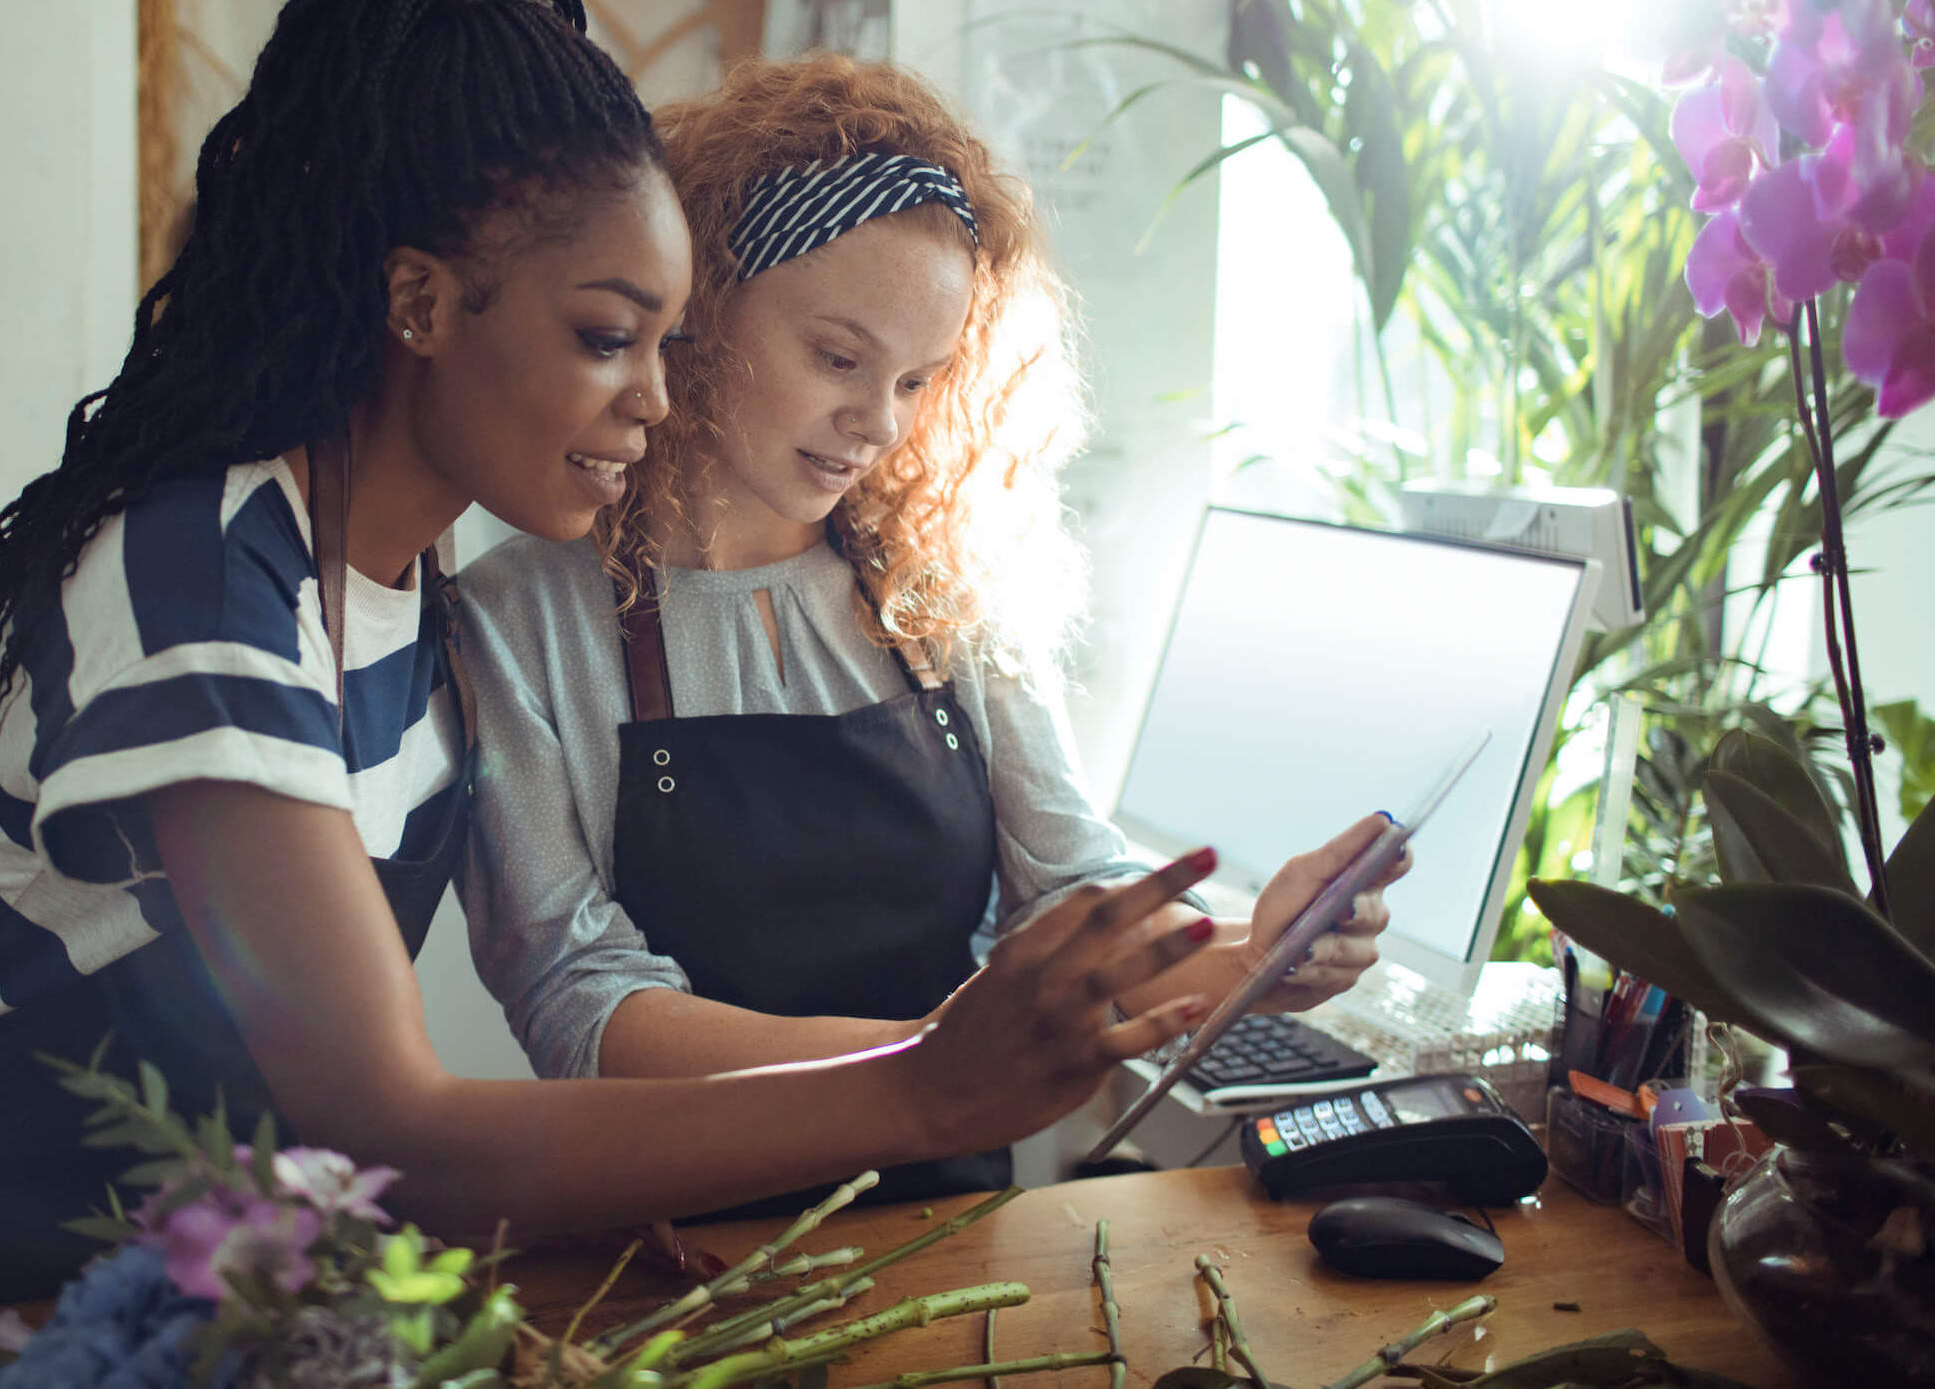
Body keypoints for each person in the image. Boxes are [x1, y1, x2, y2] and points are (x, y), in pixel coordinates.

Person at [0, 1, 1250, 1314]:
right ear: (418, 302)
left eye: (668, 344)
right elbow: (393, 1128)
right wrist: (929, 1080)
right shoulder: (199, 579)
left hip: (213, 1278)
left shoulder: (403, 585)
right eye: (609, 337)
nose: (658, 402)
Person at [455, 55, 1410, 1215]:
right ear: (700, 308)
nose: (878, 422)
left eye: (919, 379)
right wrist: (924, 1067)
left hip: (955, 1239)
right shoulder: (517, 614)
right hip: (670, 1256)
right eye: (838, 357)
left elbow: (1071, 899)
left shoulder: (941, 590)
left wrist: (1259, 953)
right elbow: (582, 1003)